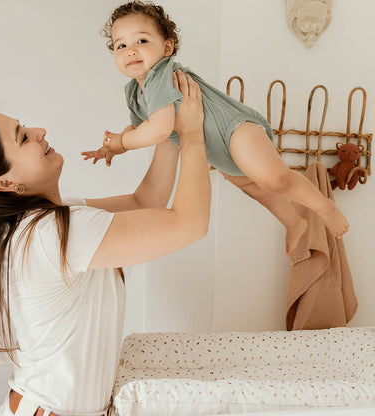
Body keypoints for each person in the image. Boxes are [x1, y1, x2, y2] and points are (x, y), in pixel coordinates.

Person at [0, 71, 209, 416]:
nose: (39, 132)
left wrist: (168, 129)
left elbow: (144, 202)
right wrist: (194, 136)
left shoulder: (45, 225)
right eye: (23, 138)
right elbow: (190, 223)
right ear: (6, 182)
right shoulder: (52, 232)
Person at [82, 0, 349, 256]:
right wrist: (115, 147)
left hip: (236, 130)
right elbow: (142, 127)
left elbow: (160, 129)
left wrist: (122, 143)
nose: (131, 50)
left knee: (275, 180)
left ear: (167, 48)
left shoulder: (159, 75)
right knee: (255, 189)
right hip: (218, 152)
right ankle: (293, 222)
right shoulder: (134, 92)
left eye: (141, 40)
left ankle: (324, 207)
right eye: (121, 45)